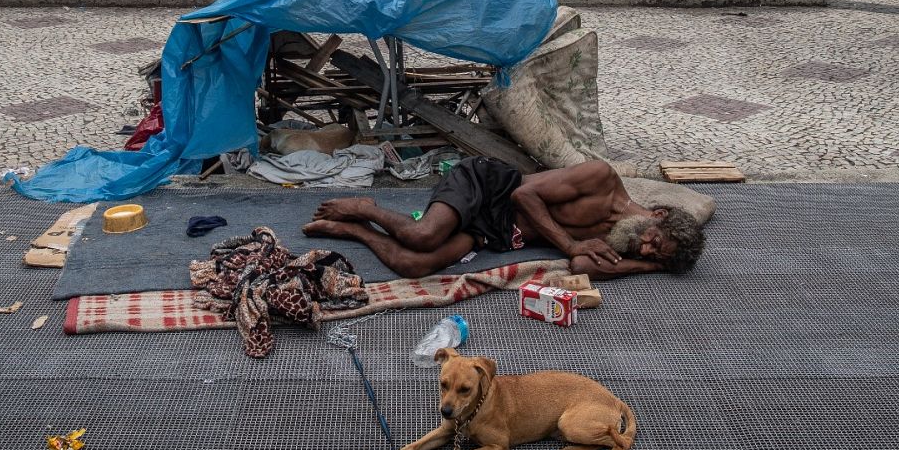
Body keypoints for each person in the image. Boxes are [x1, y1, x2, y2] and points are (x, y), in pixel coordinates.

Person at [302, 157, 705, 280]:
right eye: (654, 239)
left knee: (413, 264)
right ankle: (365, 208)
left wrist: (649, 265)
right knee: (422, 235)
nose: (644, 247)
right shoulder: (601, 179)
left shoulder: (619, 242)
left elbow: (582, 265)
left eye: (654, 254)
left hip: (498, 232)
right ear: (658, 213)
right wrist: (568, 243)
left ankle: (353, 228)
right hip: (487, 185)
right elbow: (523, 194)